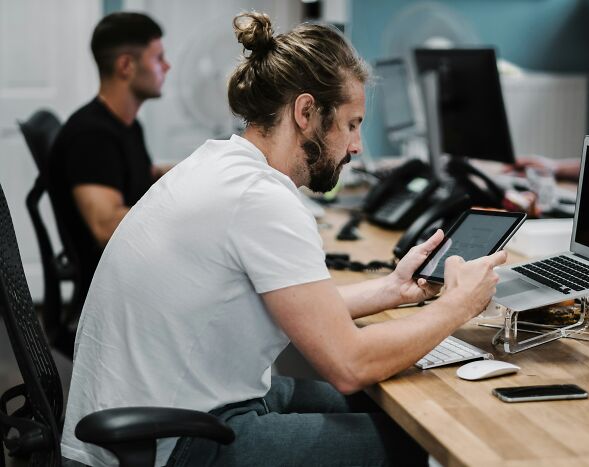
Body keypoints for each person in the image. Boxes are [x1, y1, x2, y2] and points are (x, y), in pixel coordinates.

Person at [60, 12, 506, 467]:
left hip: (163, 411)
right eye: (351, 124)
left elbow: (295, 306)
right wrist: (458, 306)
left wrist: (392, 289)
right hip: (172, 440)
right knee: (423, 445)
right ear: (306, 111)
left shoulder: (223, 161)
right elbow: (349, 364)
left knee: (394, 408)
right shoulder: (261, 198)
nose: (356, 146)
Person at [48, 12, 172, 311]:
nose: (167, 67)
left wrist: (202, 174)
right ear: (126, 66)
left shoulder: (126, 126)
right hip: (115, 292)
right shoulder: (92, 137)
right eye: (158, 58)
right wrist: (185, 215)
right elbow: (106, 226)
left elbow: (145, 174)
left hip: (134, 272)